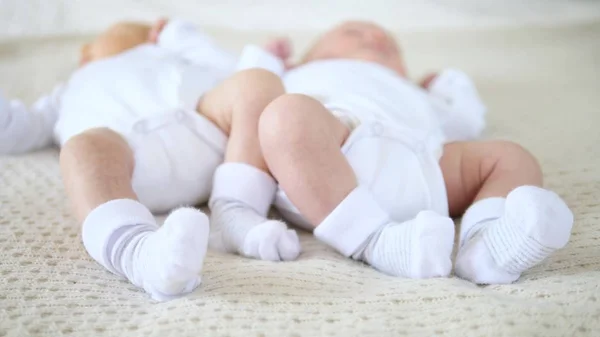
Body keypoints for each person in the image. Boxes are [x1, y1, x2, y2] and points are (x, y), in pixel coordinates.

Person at [0, 19, 300, 301]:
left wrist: (180, 35)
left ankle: (235, 210)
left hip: (209, 132)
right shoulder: (66, 92)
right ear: (86, 56)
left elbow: (236, 70)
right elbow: (19, 128)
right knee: (81, 149)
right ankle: (140, 252)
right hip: (126, 162)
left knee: (257, 82)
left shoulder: (177, 56)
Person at [253, 21, 573, 284]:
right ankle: (374, 242)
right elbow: (244, 91)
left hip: (425, 163)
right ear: (304, 59)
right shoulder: (294, 74)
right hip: (331, 156)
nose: (376, 37)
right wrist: (266, 59)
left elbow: (468, 121)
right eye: (354, 33)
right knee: (284, 116)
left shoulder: (417, 92)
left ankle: (487, 246)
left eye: (391, 43)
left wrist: (447, 85)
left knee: (511, 157)